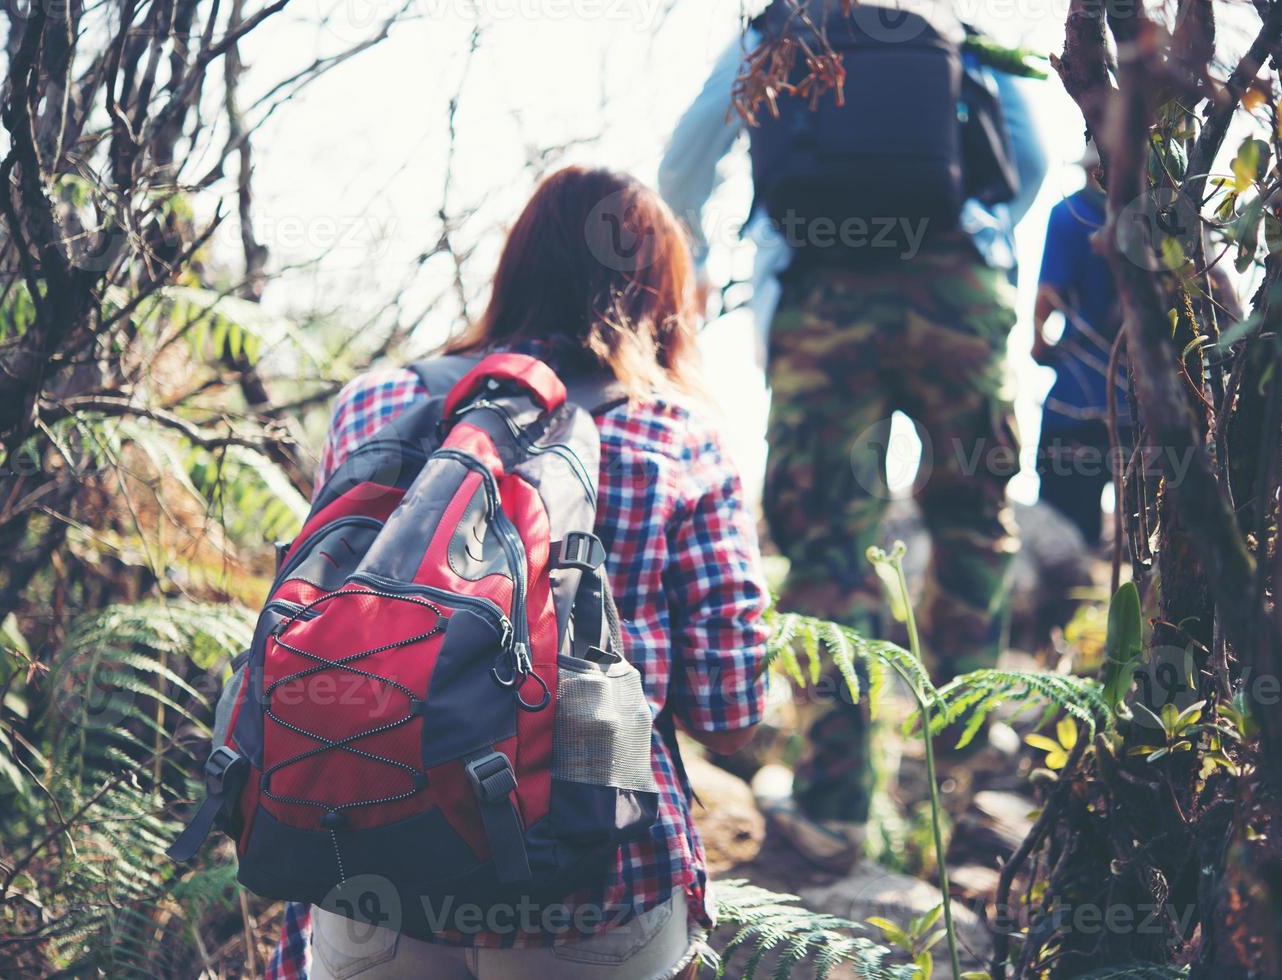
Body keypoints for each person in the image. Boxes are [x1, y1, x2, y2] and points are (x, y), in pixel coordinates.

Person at [267, 167, 771, 980]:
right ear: (658, 295)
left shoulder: (376, 404)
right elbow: (730, 708)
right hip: (597, 879)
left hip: (367, 865)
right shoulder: (676, 435)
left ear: (516, 267)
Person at [659, 0, 1045, 872]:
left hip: (822, 298)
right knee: (971, 523)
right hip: (958, 288)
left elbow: (686, 161)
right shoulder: (947, 23)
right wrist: (982, 236)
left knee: (829, 544)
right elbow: (1028, 154)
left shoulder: (782, 24)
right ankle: (961, 779)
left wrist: (698, 252)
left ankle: (836, 805)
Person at [1031, 146, 1127, 547]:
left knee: (1063, 537)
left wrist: (1039, 344)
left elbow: (1047, 296)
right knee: (1143, 535)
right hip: (1136, 403)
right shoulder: (1154, 220)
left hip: (1074, 402)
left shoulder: (1069, 214)